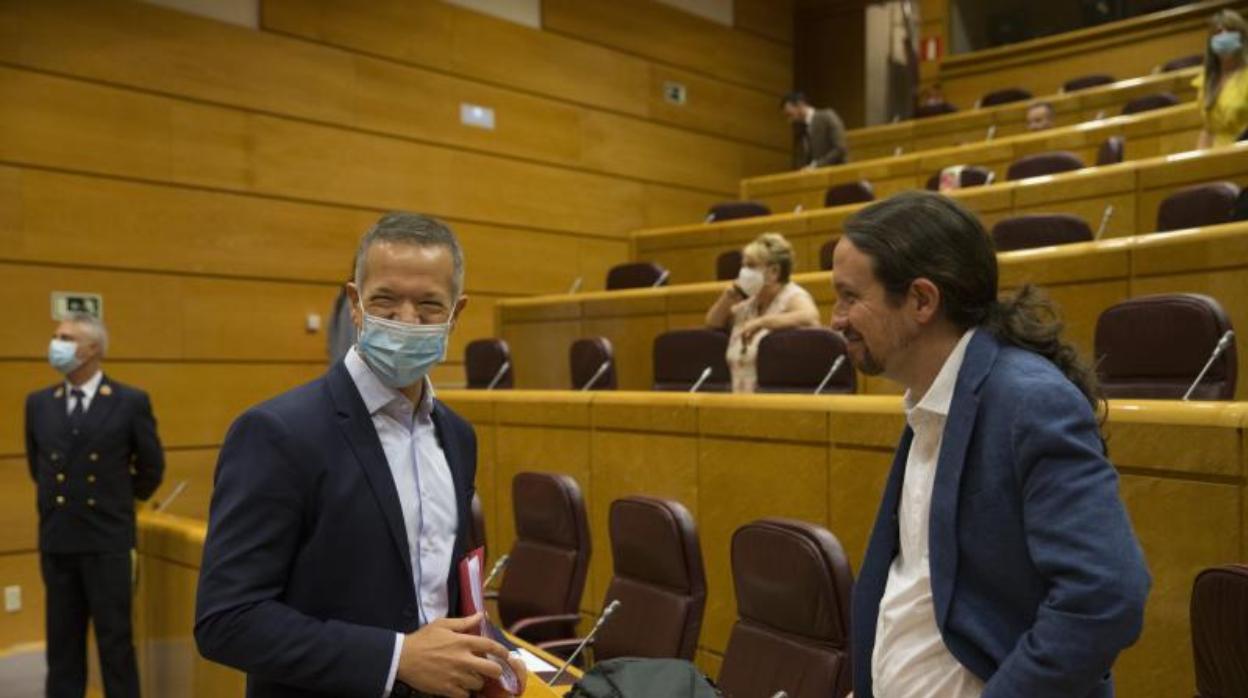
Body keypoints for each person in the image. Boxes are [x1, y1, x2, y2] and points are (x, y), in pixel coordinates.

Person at [195, 213, 527, 698]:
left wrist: (496, 652)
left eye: (430, 305)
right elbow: (227, 620)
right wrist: (397, 659)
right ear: (355, 303)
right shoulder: (277, 433)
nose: (406, 321)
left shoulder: (457, 436)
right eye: (386, 301)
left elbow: (439, 594)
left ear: (457, 313)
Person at [832, 192, 1150, 697]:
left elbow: (1104, 598)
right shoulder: (932, 396)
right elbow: (922, 589)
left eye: (850, 296)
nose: (837, 318)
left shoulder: (1029, 402)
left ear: (921, 300)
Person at [25, 312, 164, 698]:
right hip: (58, 541)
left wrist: (115, 503)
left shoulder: (128, 401)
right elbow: (39, 467)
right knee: (62, 645)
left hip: (107, 541)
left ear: (92, 349)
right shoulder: (39, 404)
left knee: (115, 644)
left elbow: (151, 468)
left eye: (65, 337)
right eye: (56, 335)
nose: (56, 344)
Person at [706, 233, 820, 393]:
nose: (744, 272)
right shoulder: (749, 303)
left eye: (751, 266)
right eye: (743, 266)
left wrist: (762, 322)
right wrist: (728, 296)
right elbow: (713, 323)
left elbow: (810, 317)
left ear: (774, 271)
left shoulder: (792, 296)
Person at [1196, 9, 1248, 148]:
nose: (1224, 36)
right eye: (1218, 32)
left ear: (1241, 37)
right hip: (1217, 156)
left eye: (1229, 30)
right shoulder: (1207, 80)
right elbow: (1208, 129)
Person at [782, 91, 849, 169]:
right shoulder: (800, 130)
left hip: (838, 173)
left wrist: (816, 166)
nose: (790, 120)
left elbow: (840, 149)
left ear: (800, 105)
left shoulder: (827, 117)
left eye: (790, 115)